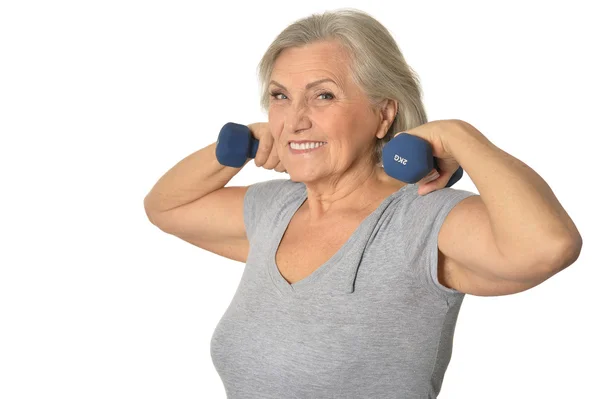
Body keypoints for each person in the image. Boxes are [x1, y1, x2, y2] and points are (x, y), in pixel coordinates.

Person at [143, 8, 582, 398]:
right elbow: (165, 206)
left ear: (384, 115)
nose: (294, 120)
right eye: (281, 96)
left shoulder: (420, 220)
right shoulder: (275, 210)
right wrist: (238, 146)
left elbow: (548, 247)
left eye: (323, 95)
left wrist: (461, 137)